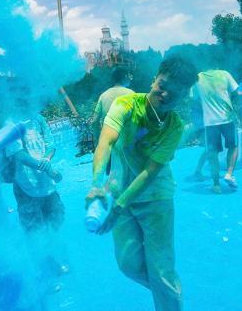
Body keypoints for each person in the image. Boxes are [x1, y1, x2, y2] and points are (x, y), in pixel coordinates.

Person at [85, 55, 196, 311]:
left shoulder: (174, 127)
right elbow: (106, 142)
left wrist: (118, 207)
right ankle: (168, 294)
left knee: (162, 270)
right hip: (119, 192)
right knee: (128, 265)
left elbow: (149, 172)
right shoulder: (125, 105)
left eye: (176, 93)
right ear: (155, 77)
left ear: (183, 96)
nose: (166, 94)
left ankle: (168, 298)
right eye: (163, 84)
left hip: (156, 200)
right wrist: (95, 183)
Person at [194, 68, 241, 193]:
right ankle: (229, 174)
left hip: (210, 122)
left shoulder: (198, 78)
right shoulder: (224, 74)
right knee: (233, 146)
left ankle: (216, 185)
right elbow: (236, 92)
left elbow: (193, 99)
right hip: (227, 118)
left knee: (212, 152)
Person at [91, 67, 134, 141]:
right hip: (127, 142)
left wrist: (97, 141)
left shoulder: (103, 95)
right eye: (129, 76)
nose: (130, 79)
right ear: (125, 77)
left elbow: (94, 121)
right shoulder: (131, 94)